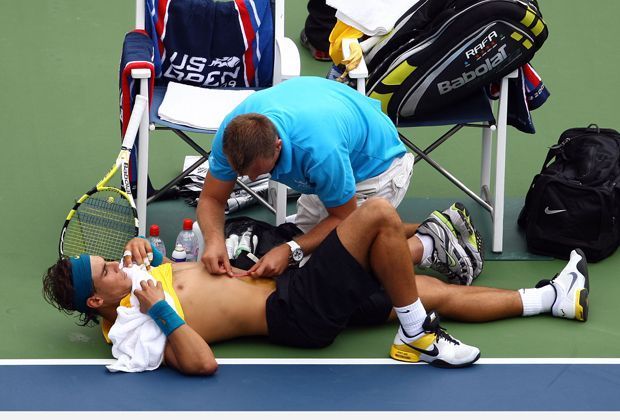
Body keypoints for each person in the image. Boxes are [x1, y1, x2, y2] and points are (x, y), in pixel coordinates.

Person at [43, 199, 589, 376]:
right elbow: (202, 363)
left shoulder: (131, 283)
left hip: (293, 286)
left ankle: (549, 299)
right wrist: (162, 308)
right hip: (294, 313)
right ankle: (419, 333)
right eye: (107, 269)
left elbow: (166, 262)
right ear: (97, 301)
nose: (117, 264)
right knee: (375, 214)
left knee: (417, 289)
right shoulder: (133, 333)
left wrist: (146, 248)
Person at [198, 76, 483, 284]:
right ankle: (439, 225)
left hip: (377, 168)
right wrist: (214, 241)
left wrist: (291, 250)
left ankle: (430, 244)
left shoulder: (320, 152)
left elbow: (345, 221)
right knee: (304, 256)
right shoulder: (232, 135)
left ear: (277, 147)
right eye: (242, 172)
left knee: (339, 265)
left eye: (258, 172)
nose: (248, 179)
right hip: (334, 149)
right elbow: (212, 198)